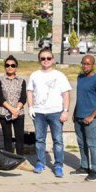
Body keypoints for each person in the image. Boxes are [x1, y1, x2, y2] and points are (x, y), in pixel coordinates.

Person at [27, 48, 72, 177]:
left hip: (56, 112)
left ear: (52, 60)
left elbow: (66, 94)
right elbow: (30, 91)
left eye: (48, 58)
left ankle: (58, 165)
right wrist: (30, 107)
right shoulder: (35, 75)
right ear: (39, 60)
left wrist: (65, 111)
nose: (46, 60)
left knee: (57, 140)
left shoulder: (59, 75)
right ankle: (40, 163)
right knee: (39, 139)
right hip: (39, 113)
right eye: (43, 58)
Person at [72, 55, 96, 182]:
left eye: (88, 64)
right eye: (83, 63)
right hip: (79, 117)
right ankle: (84, 167)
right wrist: (75, 113)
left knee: (91, 144)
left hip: (91, 118)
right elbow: (80, 97)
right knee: (81, 143)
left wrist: (92, 116)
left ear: (93, 65)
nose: (85, 66)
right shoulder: (80, 78)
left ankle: (95, 171)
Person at [0, 55, 27, 155]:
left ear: (16, 67)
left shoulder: (22, 81)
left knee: (20, 137)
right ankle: (9, 158)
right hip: (4, 113)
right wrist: (11, 109)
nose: (10, 67)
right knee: (7, 137)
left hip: (18, 112)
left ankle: (20, 158)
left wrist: (16, 109)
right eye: (7, 65)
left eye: (13, 65)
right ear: (5, 66)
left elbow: (23, 97)